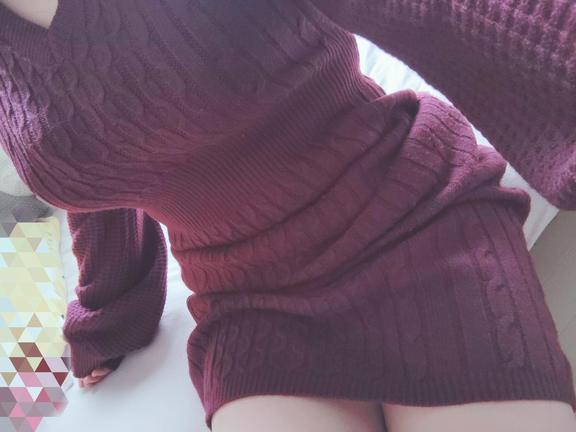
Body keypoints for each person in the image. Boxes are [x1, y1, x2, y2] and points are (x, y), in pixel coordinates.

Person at [0, 1, 575, 431]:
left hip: (407, 215)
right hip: (246, 299)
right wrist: (110, 315)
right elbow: (104, 145)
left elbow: (438, 9)